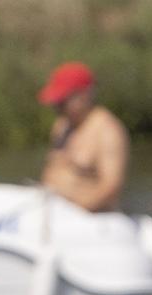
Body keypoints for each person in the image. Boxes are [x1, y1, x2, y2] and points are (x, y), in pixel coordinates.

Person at [38, 62, 128, 213]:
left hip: (91, 219)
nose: (57, 106)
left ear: (84, 95)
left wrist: (75, 212)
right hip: (52, 213)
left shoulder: (107, 131)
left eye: (62, 101)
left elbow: (112, 187)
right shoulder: (62, 126)